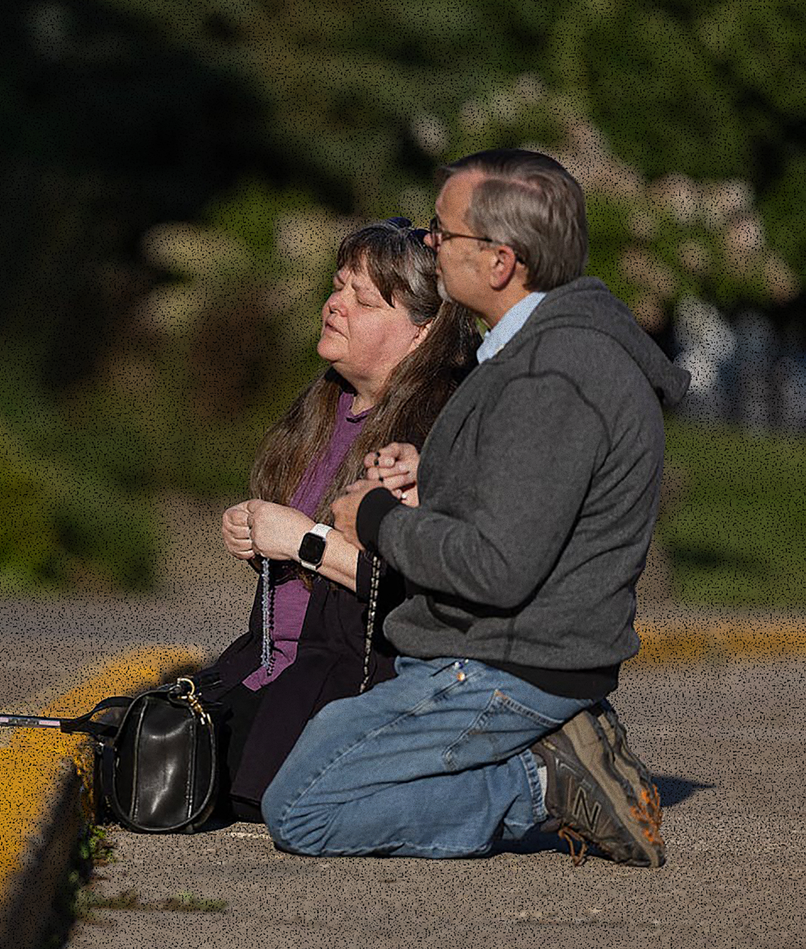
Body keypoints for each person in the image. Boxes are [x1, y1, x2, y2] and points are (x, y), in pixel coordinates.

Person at [261, 148, 690, 867]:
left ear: (500, 262)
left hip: (506, 665)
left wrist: (375, 519)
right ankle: (551, 748)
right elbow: (536, 497)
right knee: (308, 752)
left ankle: (542, 780)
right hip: (499, 652)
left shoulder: (556, 373)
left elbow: (497, 568)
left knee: (304, 806)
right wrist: (435, 479)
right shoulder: (538, 349)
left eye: (443, 233)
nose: (430, 244)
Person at [199, 217, 481, 821]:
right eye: (338, 286)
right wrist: (255, 533)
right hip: (271, 661)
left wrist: (301, 540)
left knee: (257, 802)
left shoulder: (438, 437)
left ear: (421, 333)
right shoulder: (323, 408)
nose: (335, 305)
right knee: (150, 754)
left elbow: (420, 588)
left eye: (364, 298)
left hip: (354, 678)